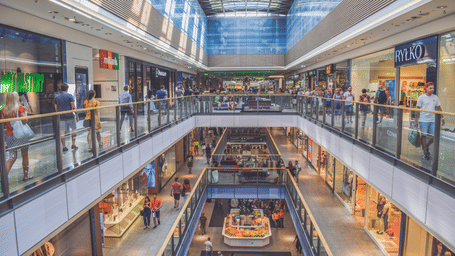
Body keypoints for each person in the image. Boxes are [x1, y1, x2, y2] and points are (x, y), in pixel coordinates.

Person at [1, 92, 32, 180]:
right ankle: (26, 175)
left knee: (12, 157)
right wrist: (25, 112)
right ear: (15, 98)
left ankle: (3, 175)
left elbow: (3, 123)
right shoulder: (19, 108)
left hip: (9, 135)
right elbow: (25, 121)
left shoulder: (3, 109)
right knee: (25, 154)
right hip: (21, 135)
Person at [415, 82, 444, 160]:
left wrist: (443, 118)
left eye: (433, 88)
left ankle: (426, 146)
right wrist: (416, 120)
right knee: (423, 136)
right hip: (423, 120)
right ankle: (425, 152)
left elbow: (439, 108)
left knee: (435, 135)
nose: (432, 90)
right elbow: (417, 109)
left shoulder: (435, 97)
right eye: (430, 88)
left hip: (432, 120)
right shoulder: (421, 97)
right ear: (426, 88)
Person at [55, 83, 79, 152]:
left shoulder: (57, 97)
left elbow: (56, 108)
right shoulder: (70, 96)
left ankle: (64, 147)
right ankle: (73, 144)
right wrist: (77, 115)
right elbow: (73, 107)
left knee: (62, 133)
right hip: (70, 116)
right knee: (74, 130)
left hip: (61, 117)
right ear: (67, 89)